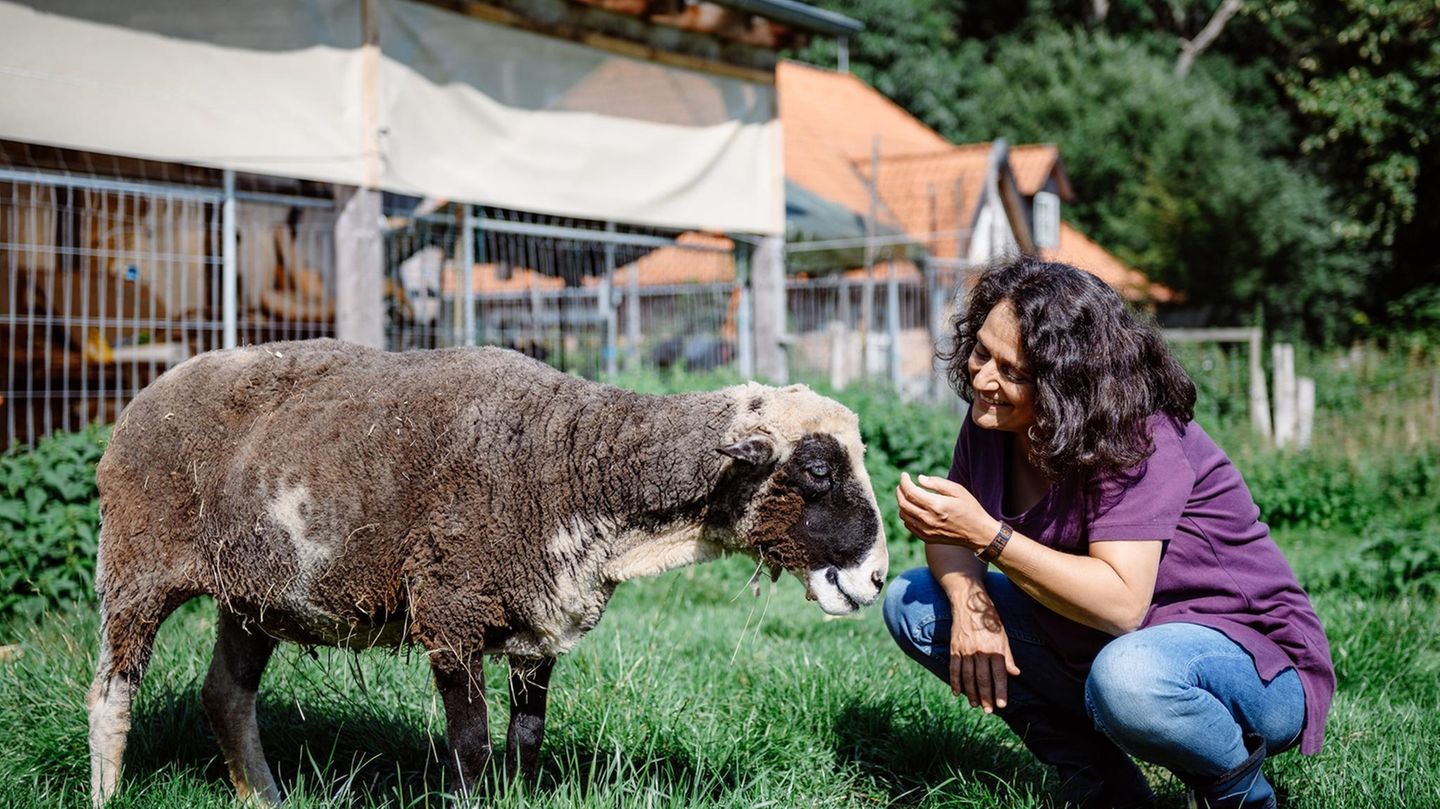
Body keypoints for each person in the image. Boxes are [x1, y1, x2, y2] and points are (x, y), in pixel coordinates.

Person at [883, 256, 1334, 809]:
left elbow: (1120, 604)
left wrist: (989, 535)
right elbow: (950, 534)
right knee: (918, 603)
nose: (982, 378)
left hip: (1249, 662)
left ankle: (1241, 797)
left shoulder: (1135, 434)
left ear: (1066, 383)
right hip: (1098, 645)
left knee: (1128, 677)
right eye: (981, 350)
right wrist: (971, 600)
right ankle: (1101, 785)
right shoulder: (994, 421)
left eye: (1013, 371)